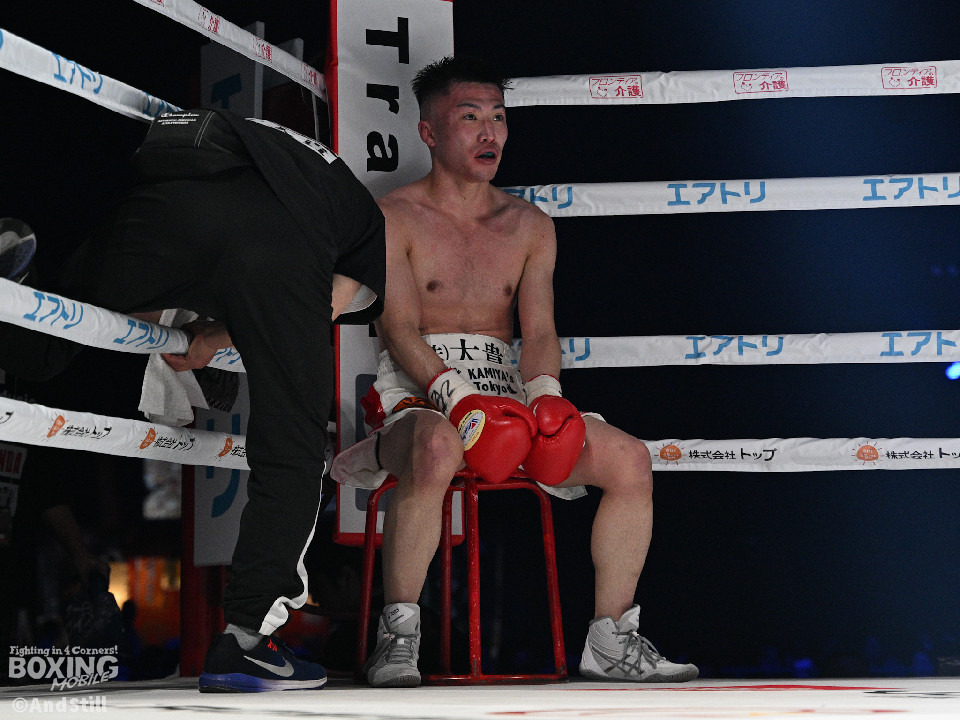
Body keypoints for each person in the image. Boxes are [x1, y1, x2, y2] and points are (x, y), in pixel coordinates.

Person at [331, 56, 698, 687]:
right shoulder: (393, 216)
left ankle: (611, 640)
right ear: (428, 132)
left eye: (498, 118)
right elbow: (399, 328)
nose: (489, 133)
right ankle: (398, 638)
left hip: (511, 402)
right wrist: (455, 397)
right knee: (438, 446)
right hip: (420, 401)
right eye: (470, 117)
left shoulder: (529, 225)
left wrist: (547, 396)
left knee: (630, 460)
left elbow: (541, 331)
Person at [0, 107, 386, 692]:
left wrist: (199, 326)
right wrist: (220, 336)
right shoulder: (370, 226)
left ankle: (14, 296)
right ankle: (247, 640)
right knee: (294, 447)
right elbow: (326, 302)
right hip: (281, 242)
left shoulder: (276, 141)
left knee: (58, 325)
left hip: (172, 199)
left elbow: (171, 252)